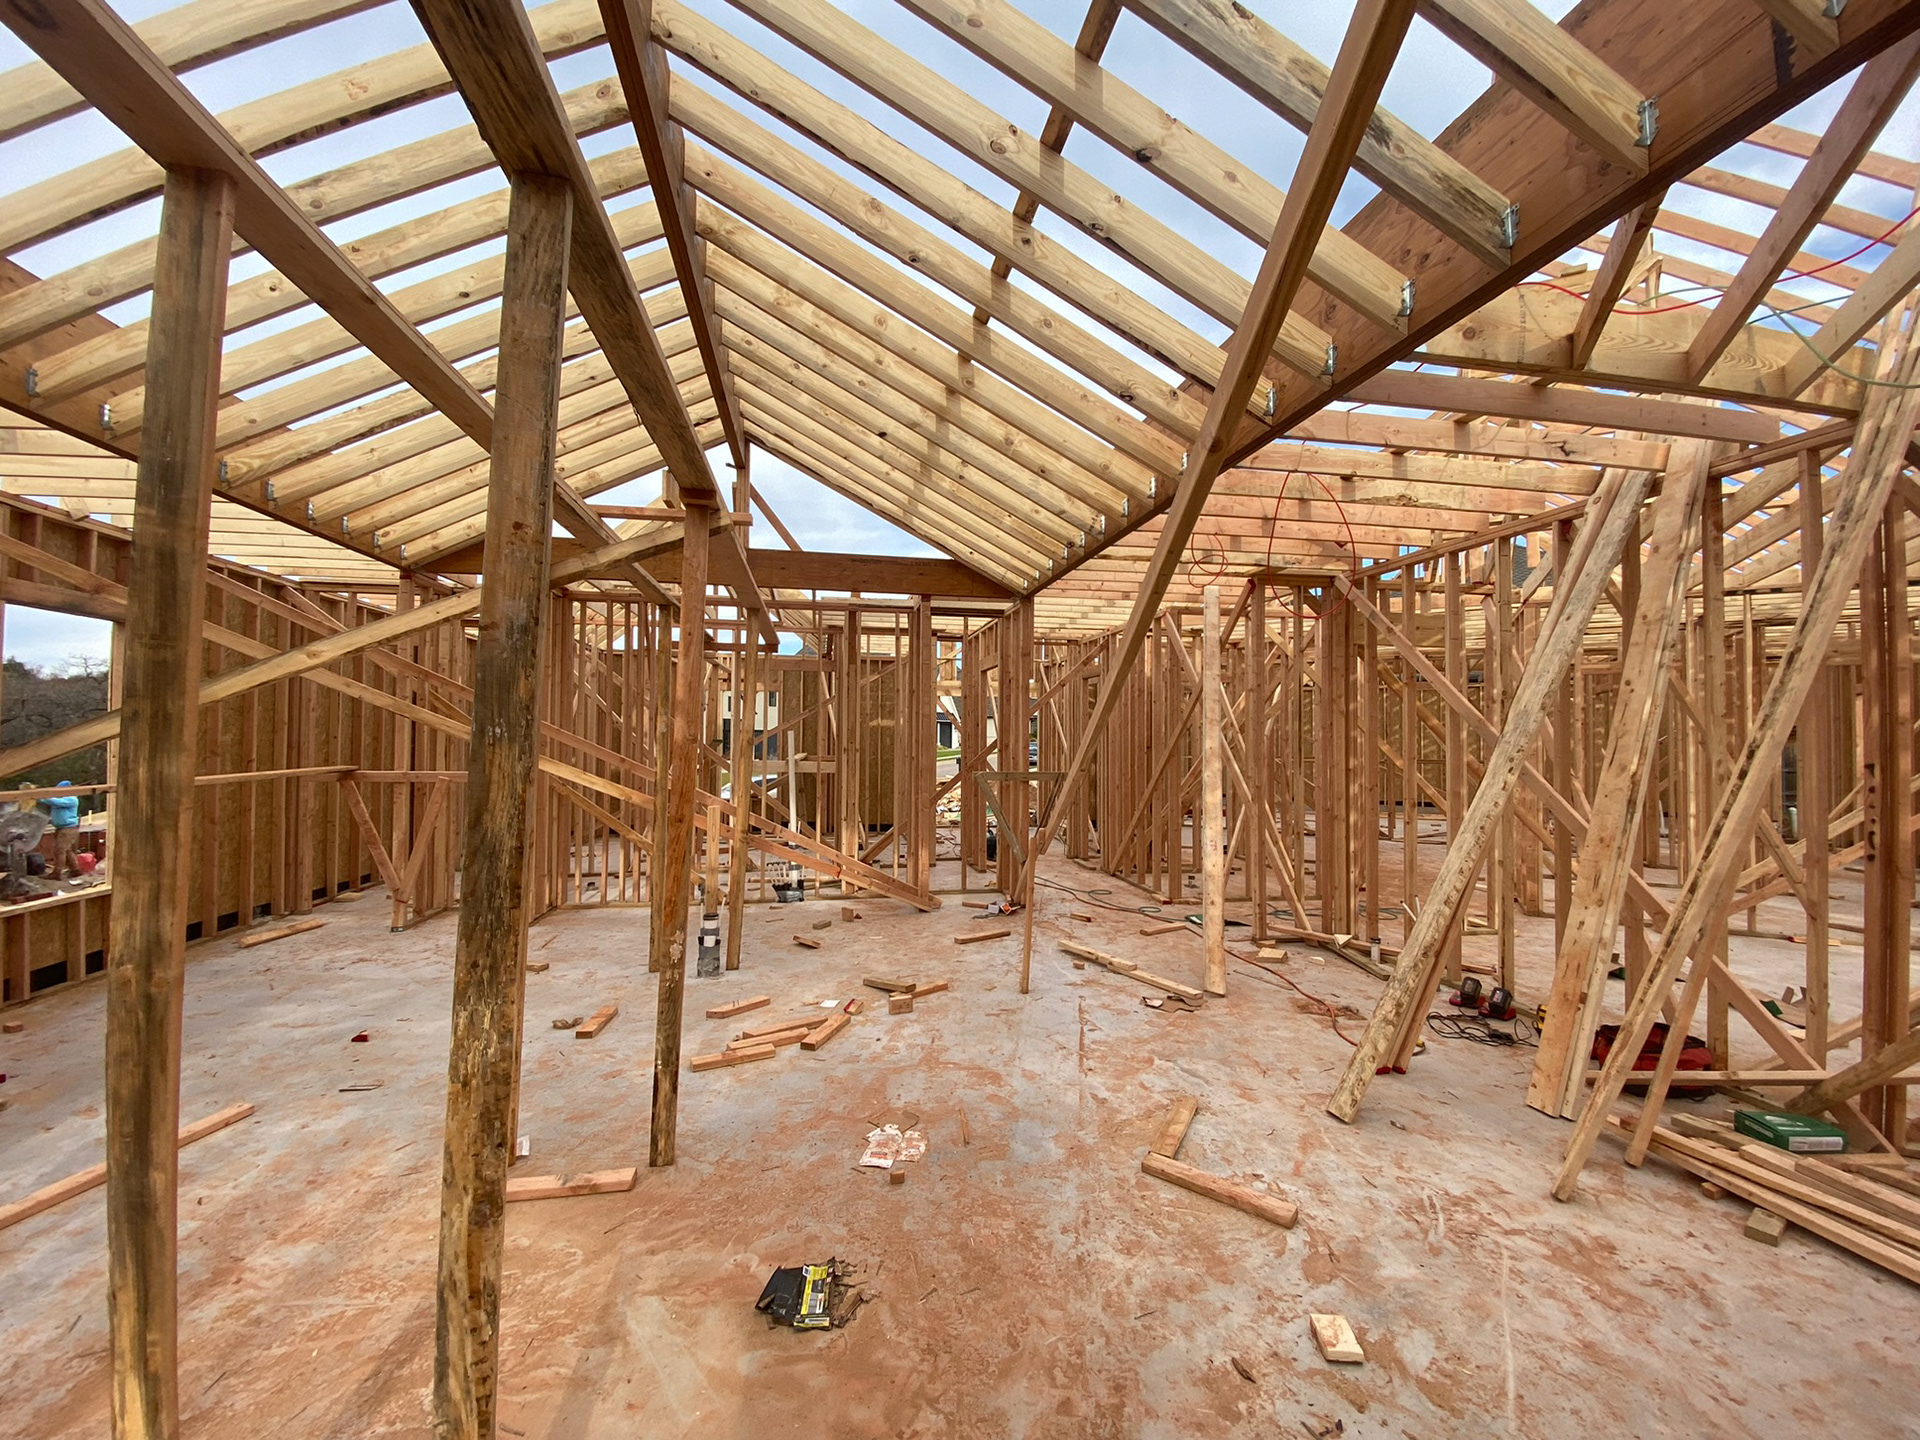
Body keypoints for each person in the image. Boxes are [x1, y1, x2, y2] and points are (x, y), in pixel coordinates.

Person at [41, 781, 79, 879]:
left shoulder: (71, 799)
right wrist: (36, 798)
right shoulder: (60, 799)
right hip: (61, 828)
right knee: (67, 850)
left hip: (68, 828)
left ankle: (56, 873)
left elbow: (55, 802)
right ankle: (75, 870)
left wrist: (42, 795)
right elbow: (47, 801)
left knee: (60, 850)